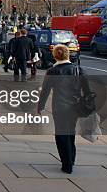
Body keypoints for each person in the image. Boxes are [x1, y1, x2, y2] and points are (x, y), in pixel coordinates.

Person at [38, 44, 90, 173]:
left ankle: (67, 165)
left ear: (55, 56)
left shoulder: (52, 71)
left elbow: (45, 91)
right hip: (75, 107)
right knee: (70, 132)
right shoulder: (79, 70)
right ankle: (71, 158)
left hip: (60, 107)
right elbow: (88, 91)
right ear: (68, 55)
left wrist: (40, 106)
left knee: (61, 135)